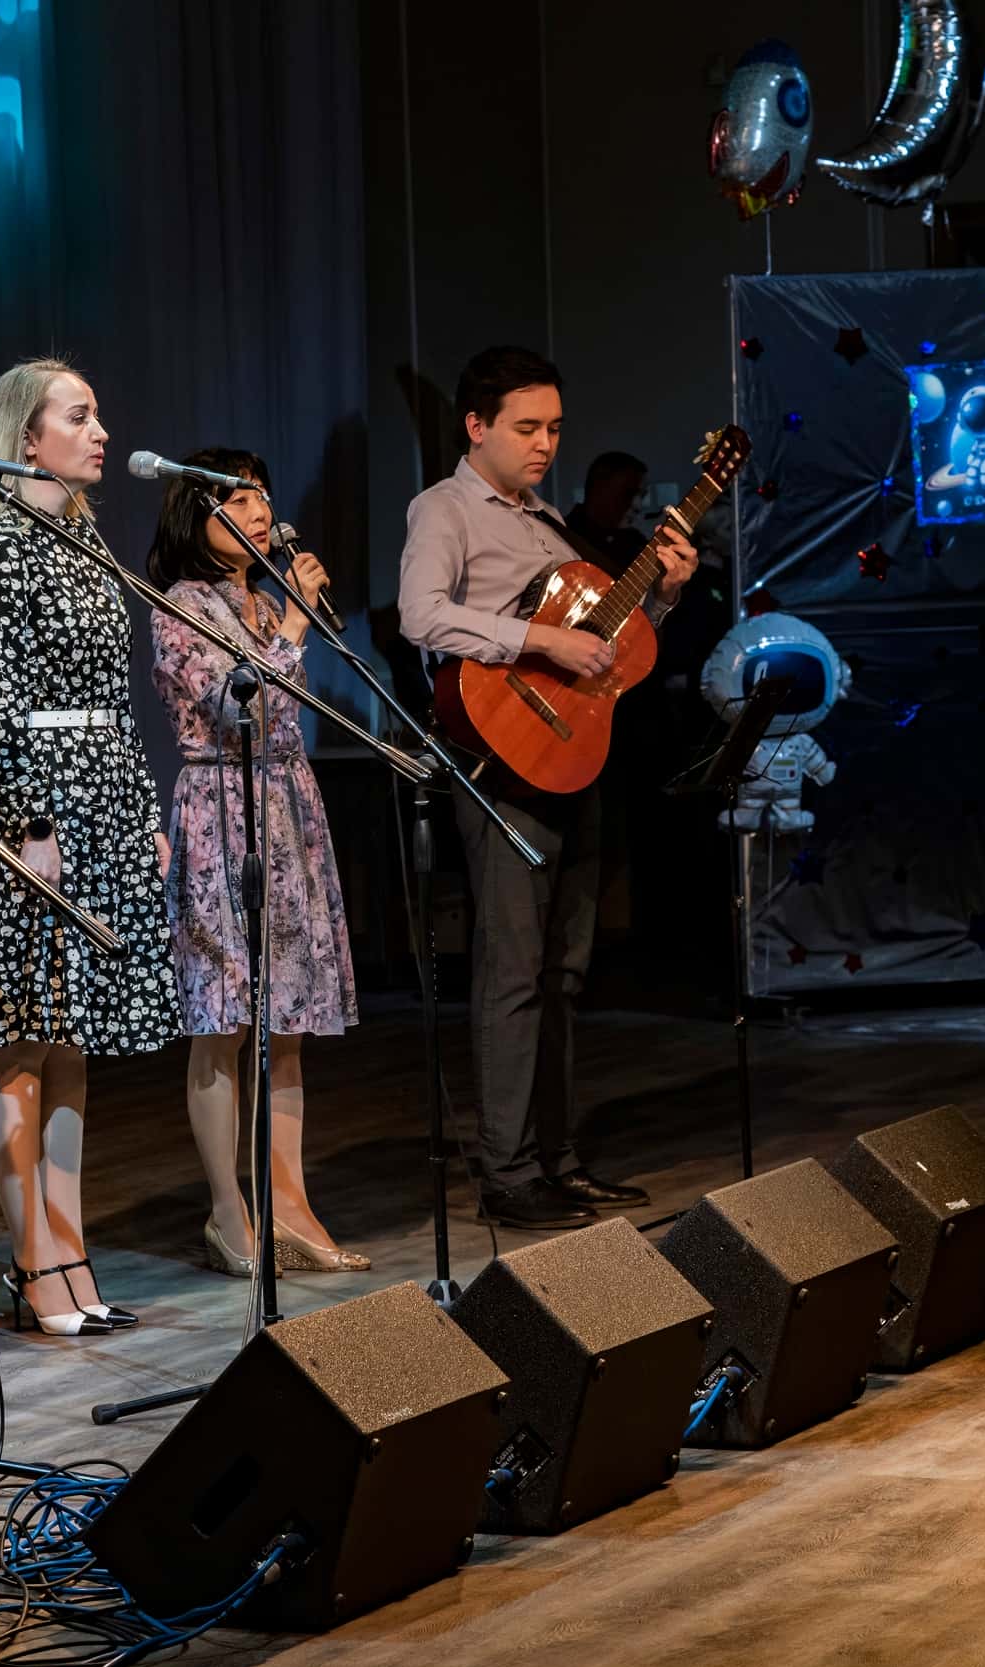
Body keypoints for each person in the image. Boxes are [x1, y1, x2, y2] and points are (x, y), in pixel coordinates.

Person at [396, 346, 697, 1232]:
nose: (544, 444)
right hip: (500, 767)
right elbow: (421, 615)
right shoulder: (444, 508)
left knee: (565, 973)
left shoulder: (551, 521)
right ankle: (507, 1171)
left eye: (556, 428)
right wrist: (539, 640)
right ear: (476, 426)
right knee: (513, 975)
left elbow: (607, 649)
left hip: (572, 757)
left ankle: (557, 1161)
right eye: (527, 428)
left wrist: (664, 597)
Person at [0, 358, 179, 1336]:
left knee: (71, 1035)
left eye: (97, 414)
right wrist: (32, 823)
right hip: (30, 805)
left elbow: (115, 697)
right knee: (18, 1032)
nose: (101, 431)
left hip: (104, 797)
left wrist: (143, 811)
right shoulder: (0, 548)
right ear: (25, 439)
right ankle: (32, 1259)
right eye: (78, 416)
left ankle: (72, 1252)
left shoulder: (85, 541)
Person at [145, 450, 368, 1276]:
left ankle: (292, 1208)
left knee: (289, 1027)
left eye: (263, 496)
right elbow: (236, 708)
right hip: (221, 811)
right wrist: (297, 627)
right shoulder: (182, 605)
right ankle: (228, 1213)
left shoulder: (263, 604)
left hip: (286, 808)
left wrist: (292, 618)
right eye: (238, 499)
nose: (260, 510)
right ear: (195, 514)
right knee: (226, 1023)